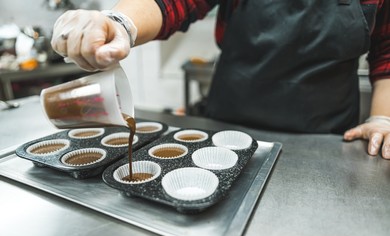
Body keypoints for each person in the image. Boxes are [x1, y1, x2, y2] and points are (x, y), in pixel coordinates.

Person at [51, 0, 390, 159]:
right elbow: (175, 3)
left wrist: (382, 117)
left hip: (323, 145)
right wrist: (120, 22)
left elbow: (386, 51)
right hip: (225, 132)